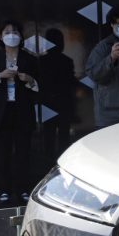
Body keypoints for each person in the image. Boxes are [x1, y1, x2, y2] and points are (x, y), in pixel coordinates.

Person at [0, 20, 40, 203]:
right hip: (1, 112)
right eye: (7, 32)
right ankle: (3, 190)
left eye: (15, 31)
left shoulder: (29, 58)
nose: (11, 35)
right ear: (1, 36)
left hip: (22, 111)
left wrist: (29, 79)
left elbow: (39, 85)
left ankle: (23, 189)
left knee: (23, 154)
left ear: (21, 36)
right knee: (3, 155)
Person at [38, 28, 78, 163]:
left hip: (47, 103)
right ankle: (62, 163)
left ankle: (47, 163)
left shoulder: (40, 61)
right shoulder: (67, 61)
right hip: (64, 102)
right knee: (63, 136)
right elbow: (71, 82)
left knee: (48, 135)